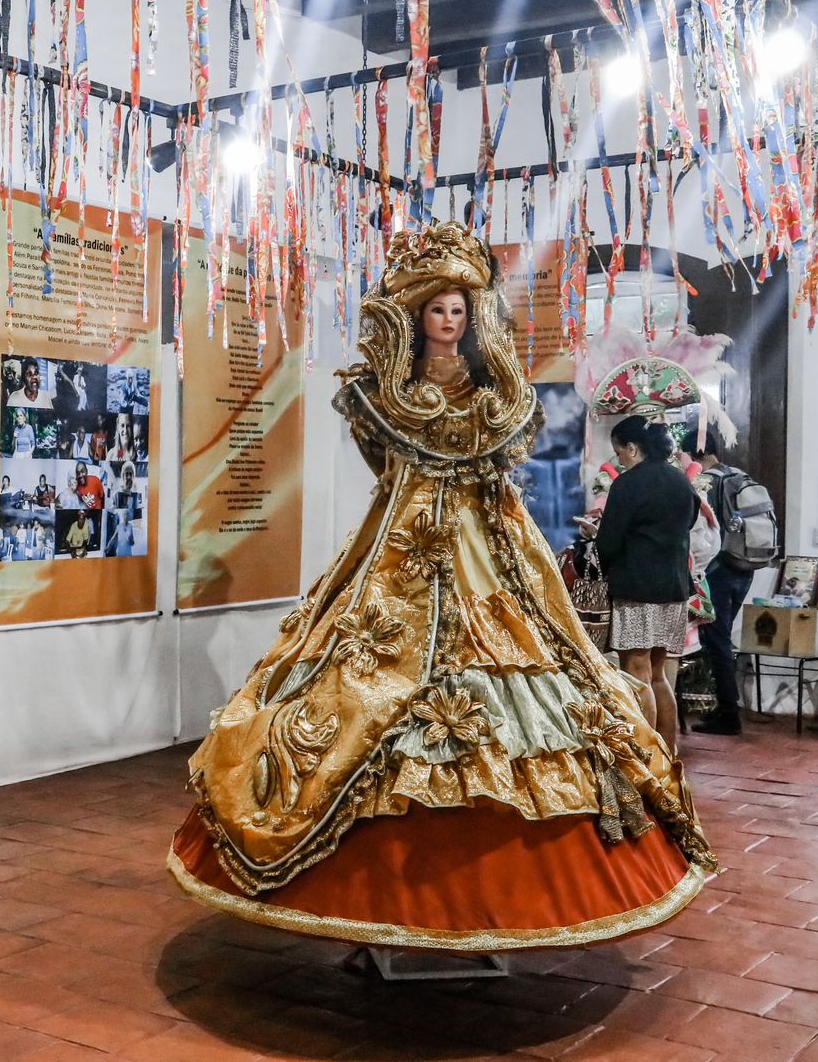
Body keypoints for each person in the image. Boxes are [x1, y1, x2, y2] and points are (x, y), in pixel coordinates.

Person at [168, 223, 714, 953]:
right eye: (438, 310)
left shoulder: (496, 390)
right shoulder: (388, 390)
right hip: (405, 537)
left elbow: (505, 457)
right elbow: (382, 464)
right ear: (419, 314)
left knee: (537, 662)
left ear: (471, 316)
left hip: (490, 541)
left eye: (460, 311)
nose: (449, 322)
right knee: (361, 672)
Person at [594, 415, 700, 752]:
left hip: (638, 588)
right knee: (658, 674)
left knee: (635, 673)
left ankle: (644, 757)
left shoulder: (629, 484)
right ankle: (667, 754)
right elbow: (689, 522)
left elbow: (608, 543)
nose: (619, 459)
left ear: (632, 447)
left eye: (619, 452)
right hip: (674, 588)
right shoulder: (680, 480)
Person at [685, 428, 754, 735]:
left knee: (717, 641)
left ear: (695, 454)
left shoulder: (705, 482)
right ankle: (725, 709)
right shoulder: (739, 475)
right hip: (745, 567)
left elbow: (698, 533)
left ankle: (729, 714)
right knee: (721, 639)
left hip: (718, 569)